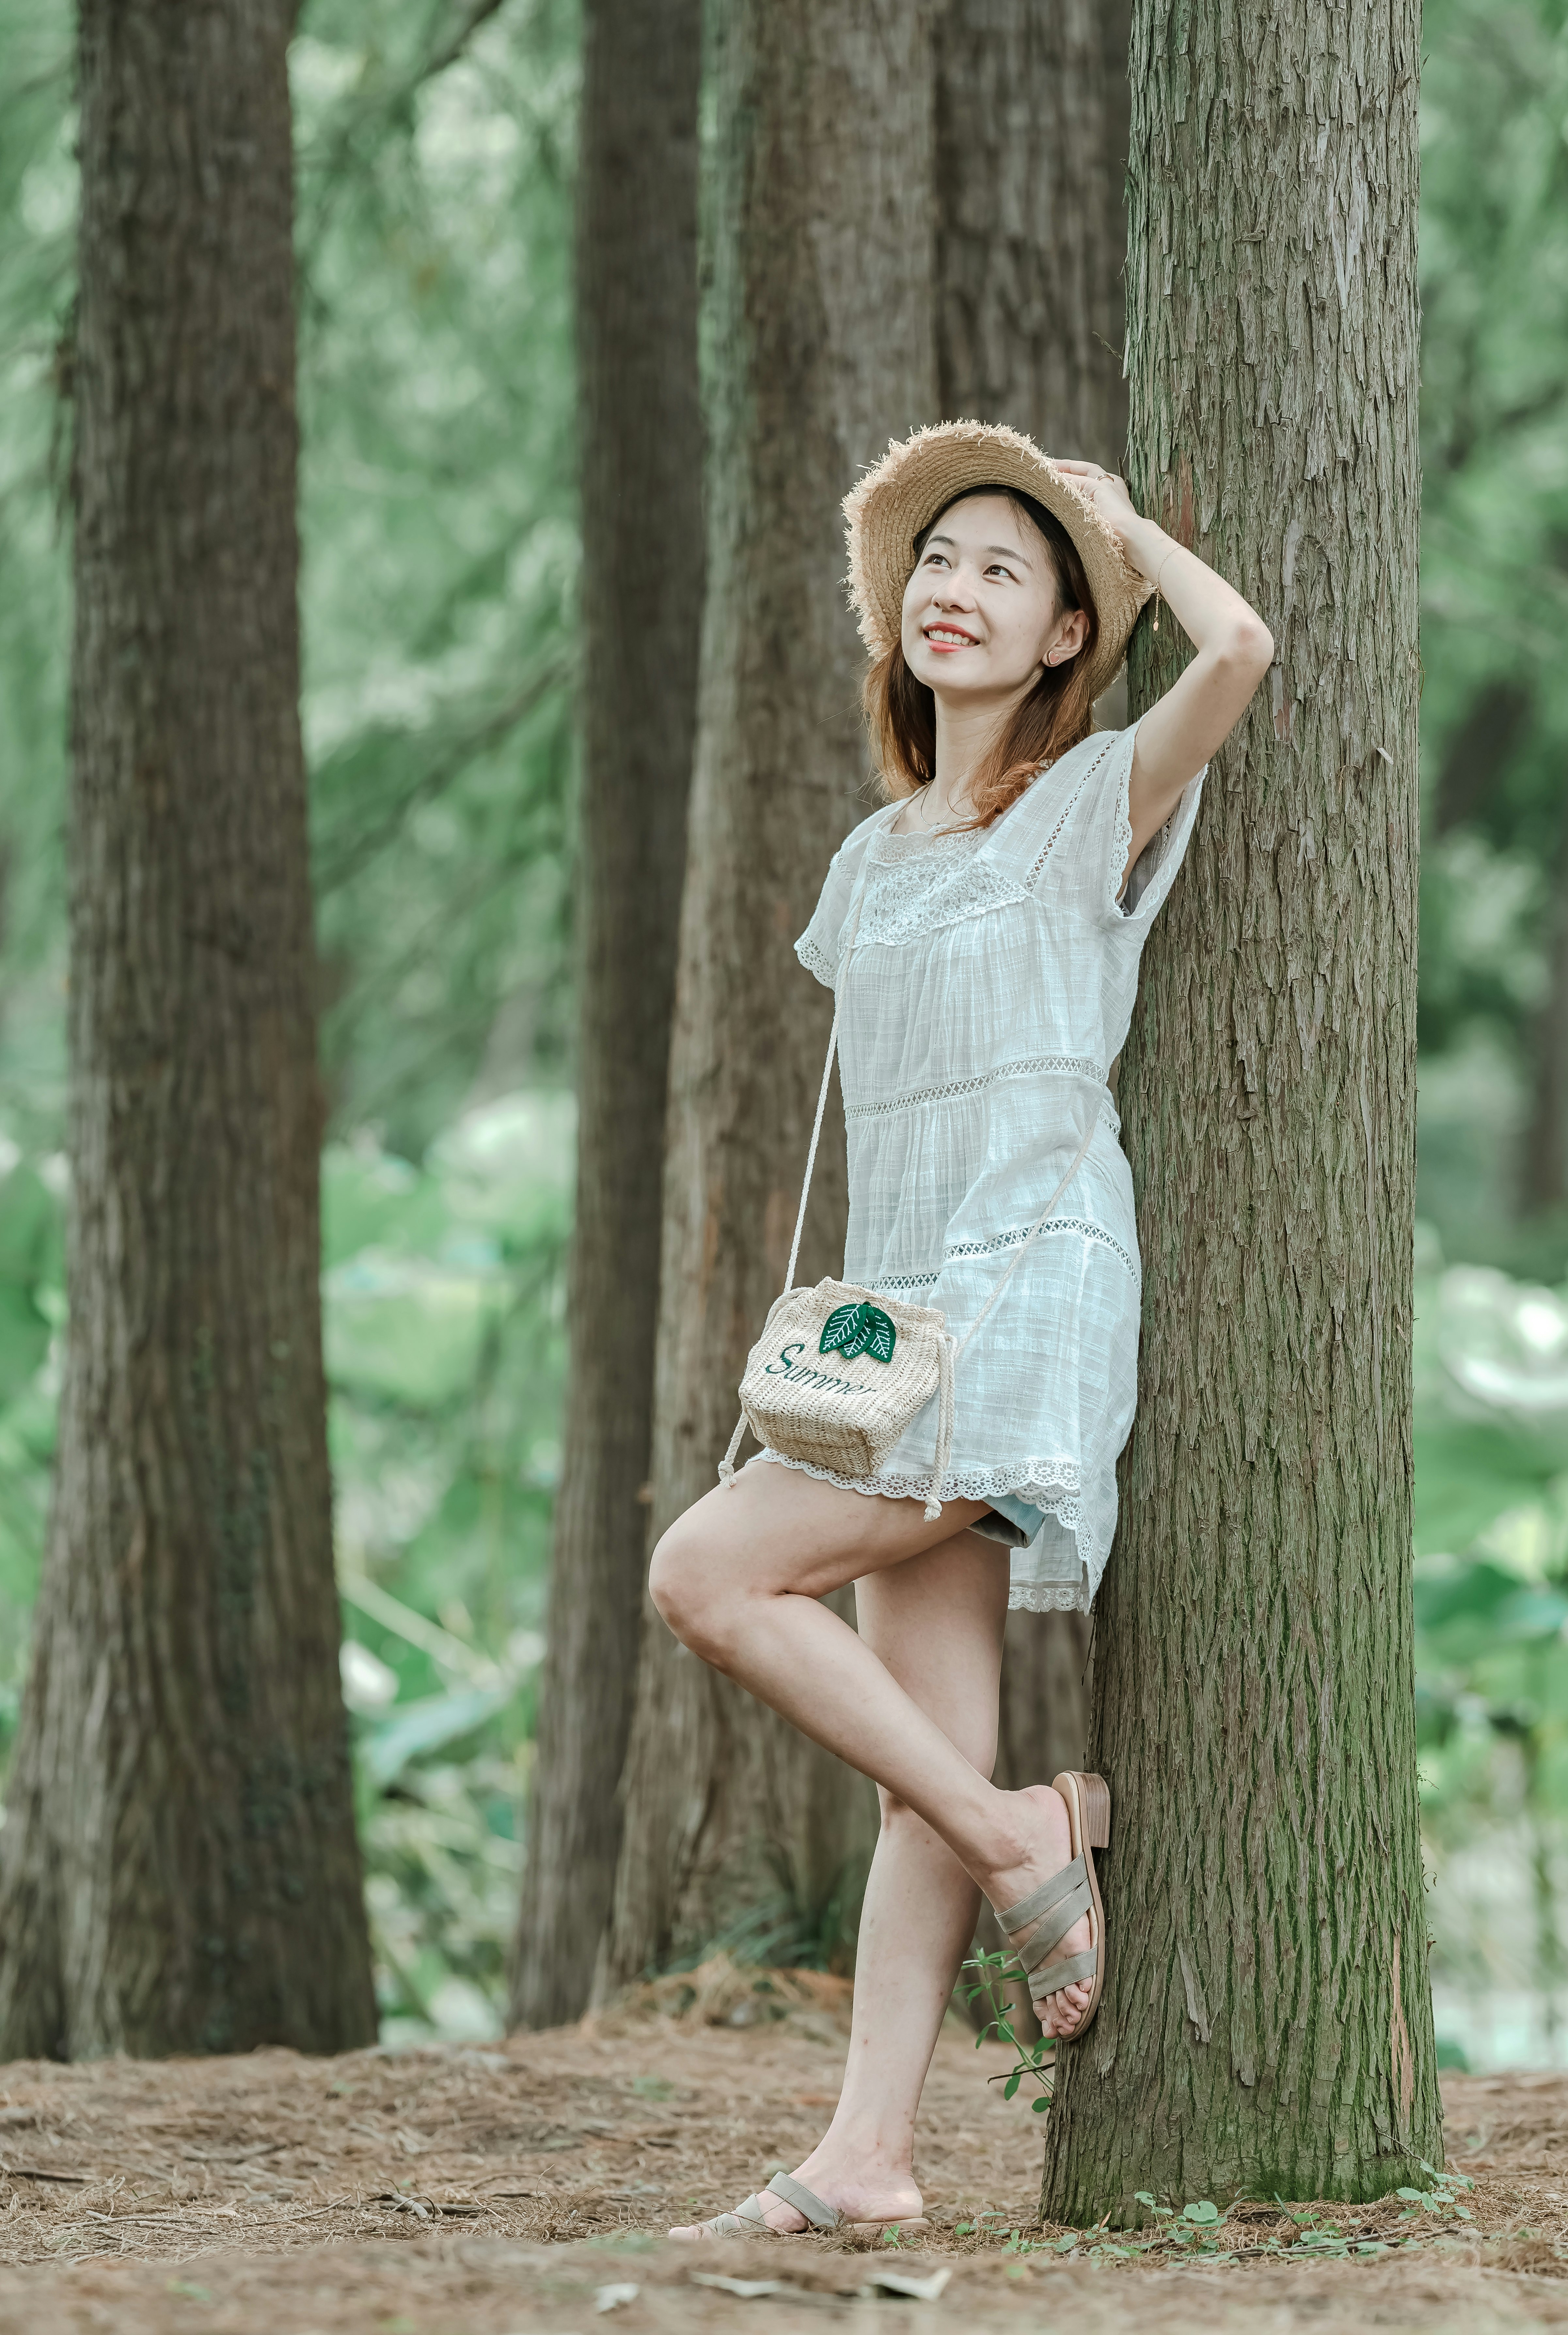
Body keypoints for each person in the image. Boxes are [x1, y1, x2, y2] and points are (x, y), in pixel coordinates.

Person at [650, 422, 1273, 2243]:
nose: (955, 589)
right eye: (939, 562)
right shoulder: (869, 854)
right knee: (916, 1752)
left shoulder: (1089, 798)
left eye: (1006, 571)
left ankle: (1023, 1837)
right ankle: (866, 2159)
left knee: (708, 1573)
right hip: (893, 1314)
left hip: (1034, 1268)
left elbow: (1234, 653)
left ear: (1067, 633)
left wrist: (1121, 525)